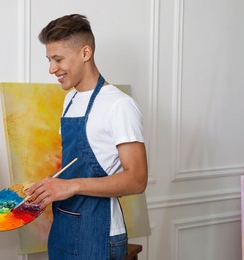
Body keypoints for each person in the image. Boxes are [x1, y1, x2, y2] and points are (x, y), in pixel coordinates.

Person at [26, 14, 148, 260]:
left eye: (58, 59)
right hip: (63, 226)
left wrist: (72, 185)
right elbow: (74, 166)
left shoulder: (119, 105)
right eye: (49, 60)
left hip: (99, 232)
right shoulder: (69, 100)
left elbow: (137, 180)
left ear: (85, 53)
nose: (51, 69)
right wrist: (47, 187)